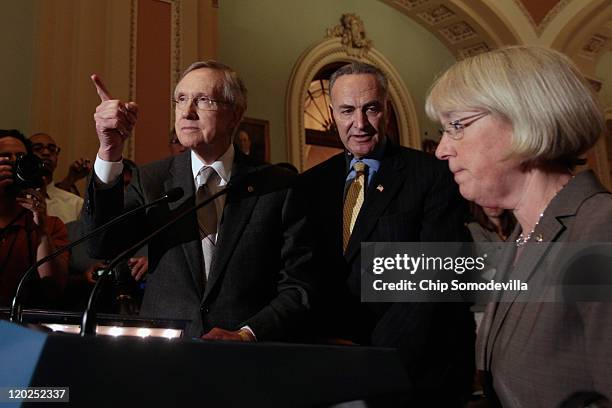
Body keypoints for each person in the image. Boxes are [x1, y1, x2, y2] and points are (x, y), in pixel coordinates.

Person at [426, 45, 612, 407]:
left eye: (457, 126)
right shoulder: (520, 238)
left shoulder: (601, 229)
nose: (442, 149)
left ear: (525, 118)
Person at [83, 60, 313, 341]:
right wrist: (109, 150)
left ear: (235, 114)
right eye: (181, 99)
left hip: (247, 359)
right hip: (165, 352)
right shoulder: (152, 180)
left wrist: (246, 334)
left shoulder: (278, 187)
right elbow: (102, 243)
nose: (188, 112)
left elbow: (299, 285)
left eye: (203, 100)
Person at [299, 62, 474, 405]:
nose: (359, 124)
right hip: (331, 368)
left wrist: (375, 359)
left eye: (371, 109)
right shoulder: (309, 185)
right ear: (333, 113)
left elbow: (434, 280)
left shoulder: (432, 176)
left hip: (414, 372)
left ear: (387, 110)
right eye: (347, 110)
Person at [0, 129, 69, 307]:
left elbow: (53, 288)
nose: (14, 163)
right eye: (6, 157)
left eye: (20, 157)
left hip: (24, 325)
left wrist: (42, 230)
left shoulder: (51, 225)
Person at [29, 132, 84, 223]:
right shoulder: (12, 199)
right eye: (37, 148)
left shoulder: (76, 204)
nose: (46, 153)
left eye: (52, 149)